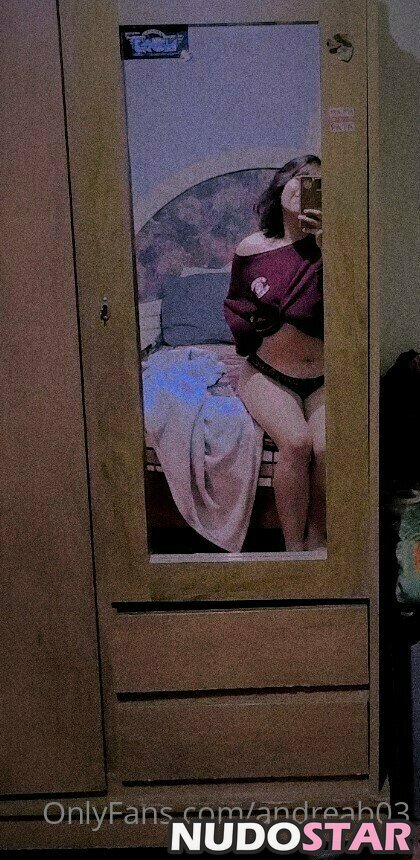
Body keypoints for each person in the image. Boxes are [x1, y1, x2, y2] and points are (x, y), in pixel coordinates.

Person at [223, 155, 325, 552]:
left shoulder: (337, 245)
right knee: (297, 443)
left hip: (324, 377)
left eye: (317, 183)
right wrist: (255, 328)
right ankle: (293, 550)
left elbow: (354, 305)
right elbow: (236, 304)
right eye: (300, 179)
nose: (304, 188)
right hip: (268, 372)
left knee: (326, 449)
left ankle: (319, 544)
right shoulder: (251, 248)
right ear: (282, 184)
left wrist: (331, 246)